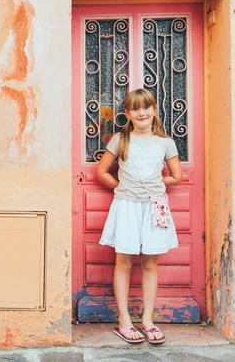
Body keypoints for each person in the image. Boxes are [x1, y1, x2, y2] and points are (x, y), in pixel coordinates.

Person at [96, 88, 182, 345]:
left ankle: (147, 319)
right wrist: (121, 186)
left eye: (146, 107)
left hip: (155, 206)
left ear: (154, 110)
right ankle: (124, 320)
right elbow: (102, 172)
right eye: (135, 108)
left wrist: (156, 181)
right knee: (123, 262)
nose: (141, 112)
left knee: (149, 264)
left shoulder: (165, 143)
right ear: (128, 114)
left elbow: (177, 176)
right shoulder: (121, 140)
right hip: (126, 206)